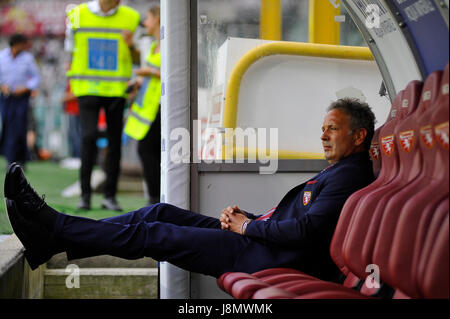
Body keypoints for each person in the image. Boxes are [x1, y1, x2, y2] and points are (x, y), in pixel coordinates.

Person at [4, 98, 375, 281]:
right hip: (259, 239)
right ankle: (50, 242)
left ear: (359, 136)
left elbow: (307, 231)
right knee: (159, 212)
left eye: (333, 129)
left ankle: (55, 225)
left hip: (262, 256)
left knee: (155, 233)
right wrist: (250, 218)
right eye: (323, 128)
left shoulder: (348, 175)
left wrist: (247, 227)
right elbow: (297, 220)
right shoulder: (341, 171)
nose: (322, 135)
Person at [65, 0, 141, 211]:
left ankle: (109, 196)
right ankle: (86, 196)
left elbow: (139, 56)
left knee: (114, 143)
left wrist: (132, 44)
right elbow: (69, 49)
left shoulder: (132, 17)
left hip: (116, 89)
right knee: (88, 137)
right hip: (86, 87)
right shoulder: (77, 14)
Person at [123, 5, 162, 205]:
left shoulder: (168, 44)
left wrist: (149, 73)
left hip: (162, 107)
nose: (145, 23)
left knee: (148, 151)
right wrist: (138, 83)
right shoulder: (154, 44)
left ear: (157, 19)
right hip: (149, 107)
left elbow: (176, 73)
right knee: (149, 151)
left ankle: (155, 201)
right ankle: (155, 199)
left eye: (147, 18)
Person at [0, 34, 40, 168]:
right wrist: (2, 86)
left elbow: (35, 77)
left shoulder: (27, 59)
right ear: (16, 44)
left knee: (20, 127)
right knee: (8, 126)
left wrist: (26, 88)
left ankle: (20, 160)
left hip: (22, 98)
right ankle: (10, 158)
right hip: (6, 98)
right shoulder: (2, 57)